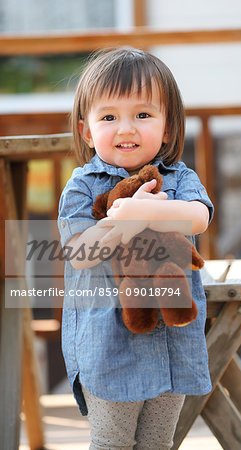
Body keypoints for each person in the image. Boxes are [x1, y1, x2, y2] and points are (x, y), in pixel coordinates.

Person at [58, 47, 214, 450]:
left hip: (170, 340)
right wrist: (122, 223)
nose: (126, 128)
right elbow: (79, 252)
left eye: (143, 115)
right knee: (112, 441)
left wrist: (147, 210)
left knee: (157, 443)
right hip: (108, 344)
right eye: (109, 117)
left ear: (167, 128)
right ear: (87, 132)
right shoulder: (82, 186)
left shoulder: (178, 178)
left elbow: (198, 218)